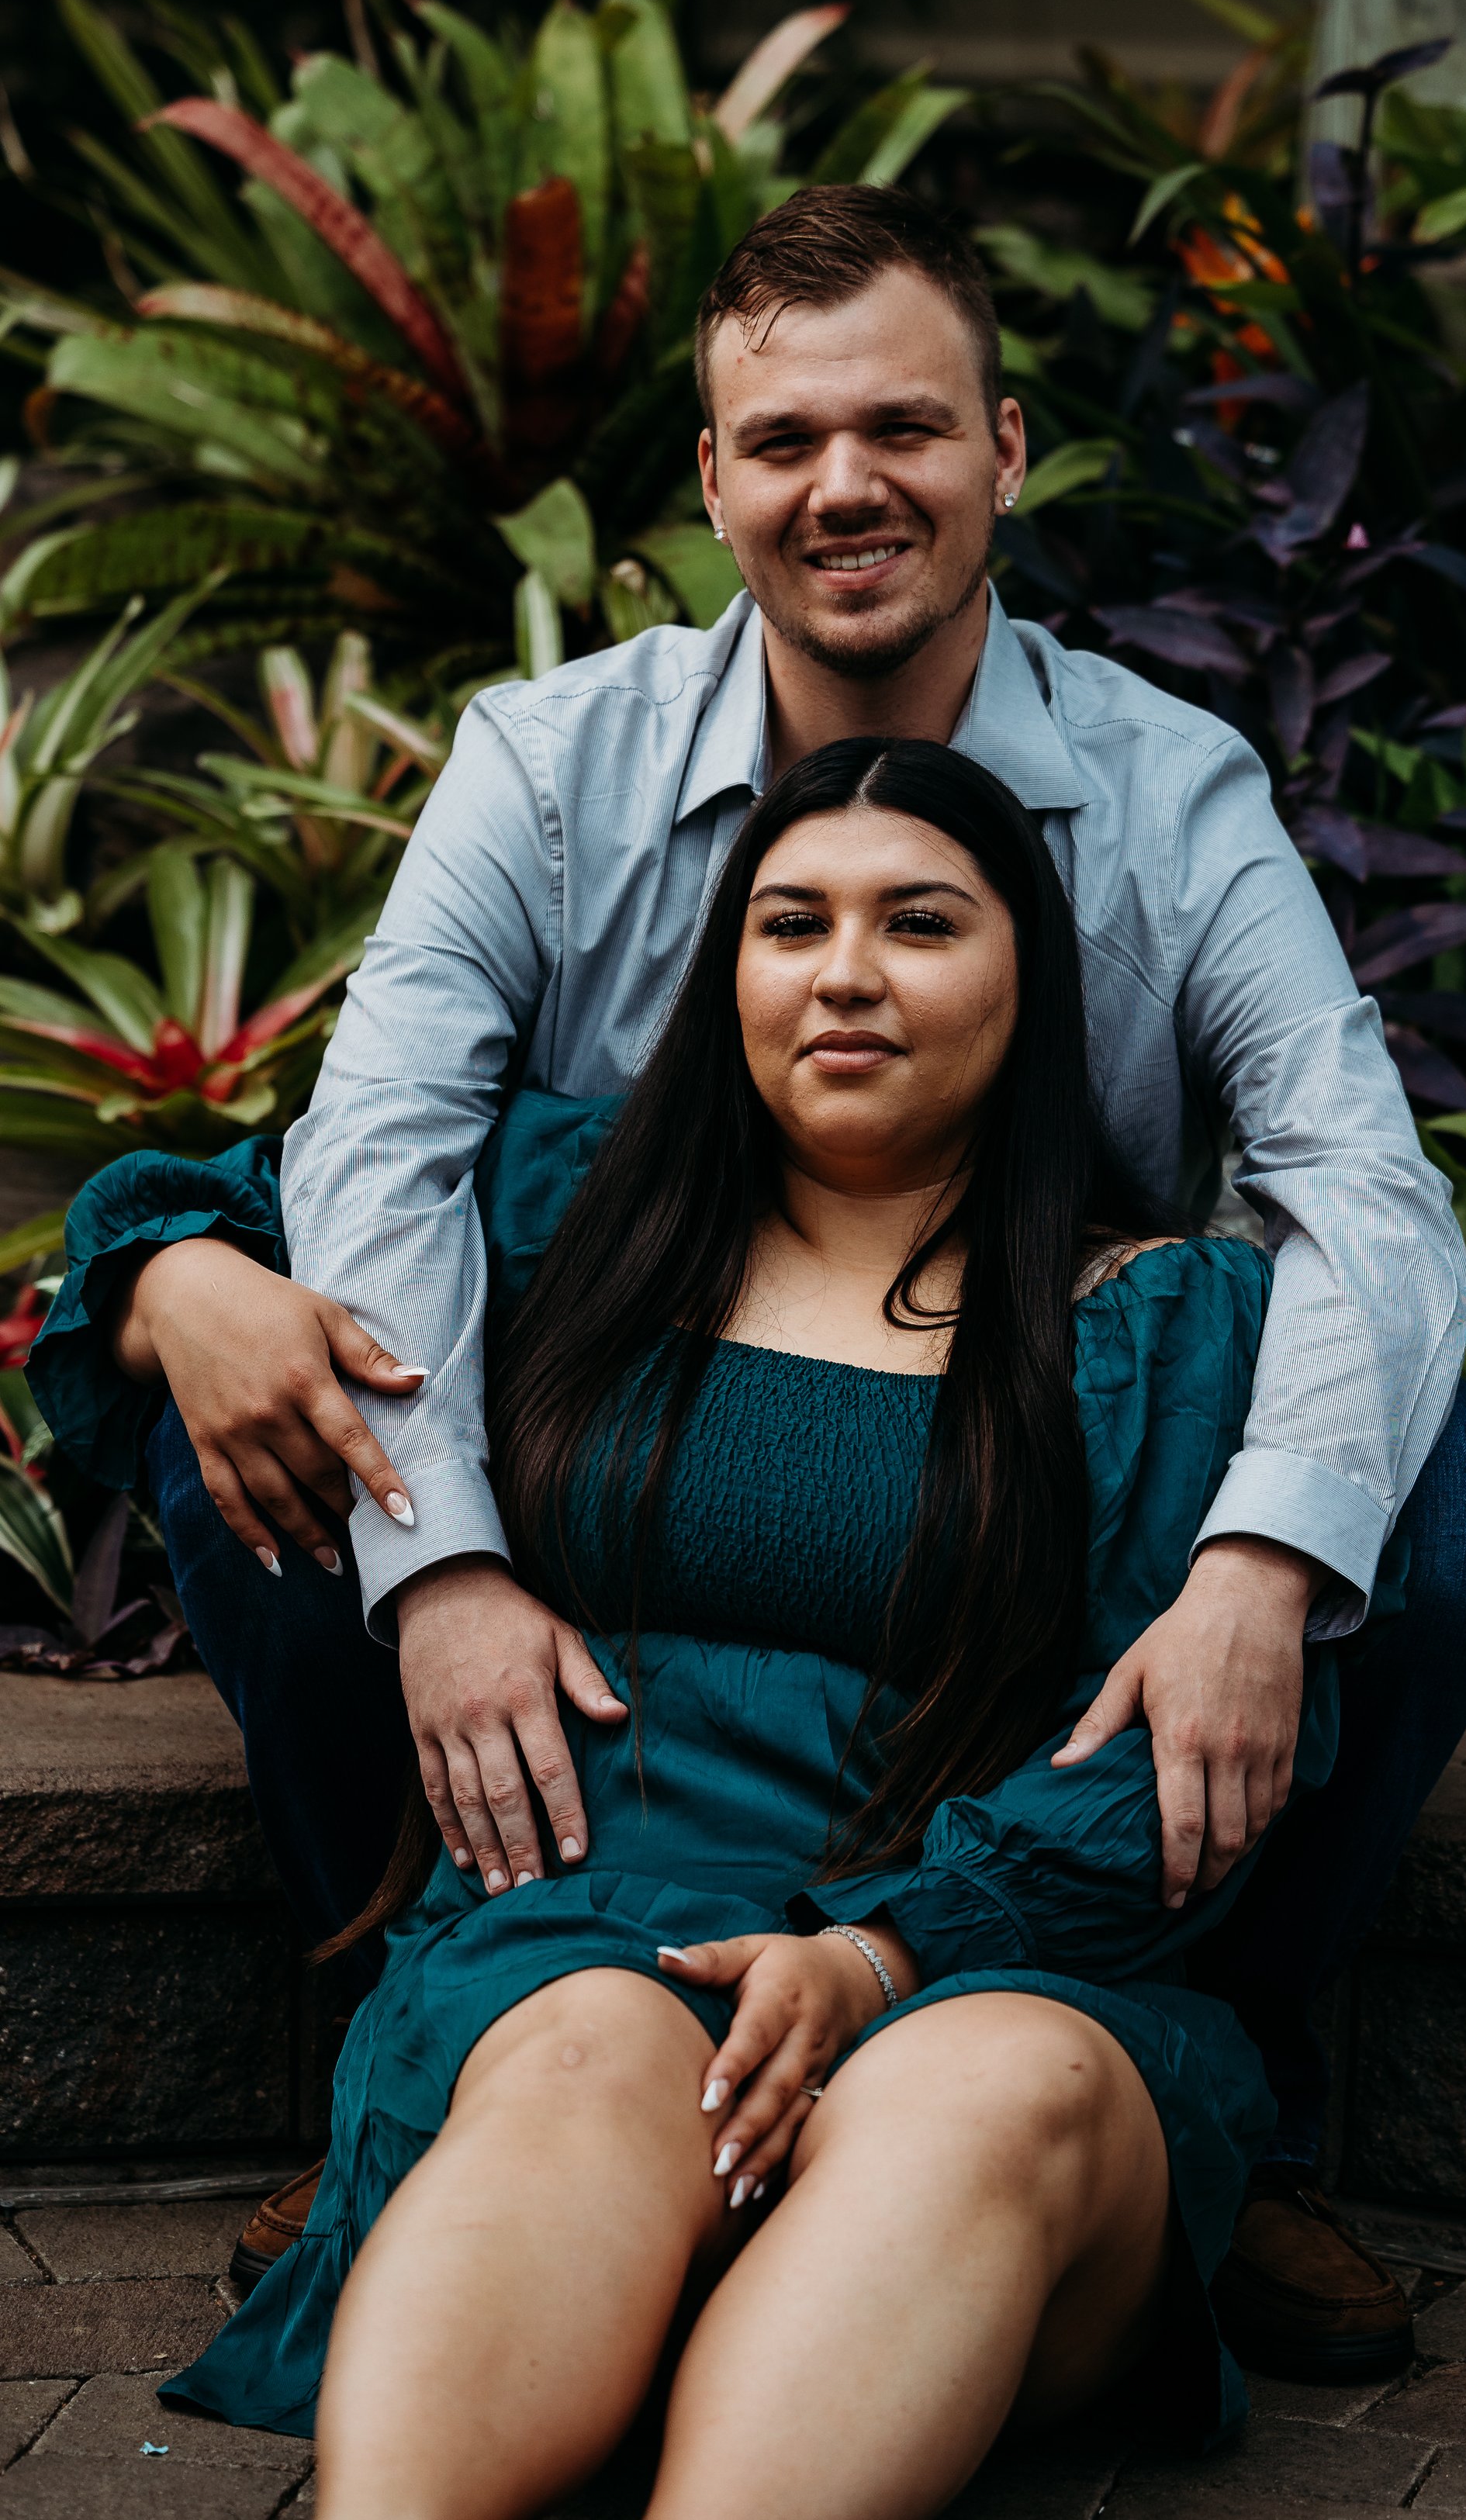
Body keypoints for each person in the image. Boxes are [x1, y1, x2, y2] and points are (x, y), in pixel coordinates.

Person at [33, 185, 1466, 2380]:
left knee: (1434, 1497)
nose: (847, 486)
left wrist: (1259, 1563)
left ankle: (1229, 2085)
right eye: (788, 439)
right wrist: (441, 1564)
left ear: (1002, 450)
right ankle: (427, 2051)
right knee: (264, 1432)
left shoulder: (1166, 791)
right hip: (630, 1394)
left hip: (1031, 1424)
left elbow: (1358, 1185)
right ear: (714, 479)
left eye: (901, 427)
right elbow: (380, 1146)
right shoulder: (555, 764)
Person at [162, 737, 1381, 2515]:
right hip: (593, 1941)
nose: (845, 974)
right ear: (725, 971)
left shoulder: (1160, 1320)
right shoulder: (564, 1206)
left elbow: (1168, 1781)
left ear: (1028, 983)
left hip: (991, 1971)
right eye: (791, 922)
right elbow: (208, 1207)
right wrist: (186, 1280)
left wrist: (875, 1956)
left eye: (921, 924)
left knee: (986, 2088)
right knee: (584, 2046)